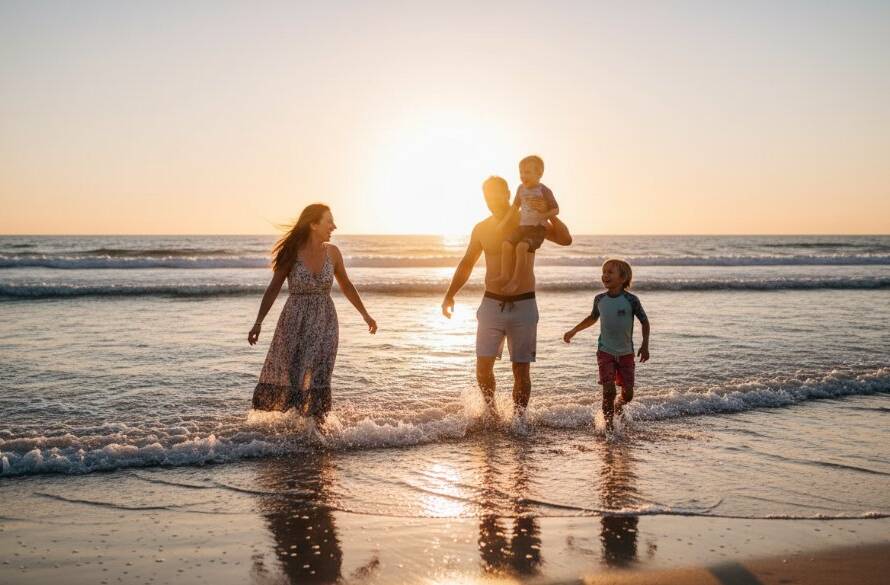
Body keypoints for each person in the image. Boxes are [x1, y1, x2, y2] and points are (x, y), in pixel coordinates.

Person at [441, 176, 572, 425]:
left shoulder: (529, 222)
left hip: (524, 304)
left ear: (508, 193)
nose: (492, 200)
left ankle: (519, 421)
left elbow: (566, 239)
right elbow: (467, 262)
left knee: (521, 371)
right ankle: (491, 415)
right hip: (491, 303)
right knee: (483, 367)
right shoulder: (482, 228)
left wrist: (548, 212)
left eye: (497, 194)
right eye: (487, 195)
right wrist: (450, 294)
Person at [248, 203, 377, 426]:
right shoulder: (291, 253)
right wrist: (258, 322)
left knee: (319, 372)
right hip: (294, 321)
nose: (334, 226)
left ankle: (318, 427)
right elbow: (274, 287)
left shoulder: (333, 253)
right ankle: (299, 428)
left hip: (325, 321)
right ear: (313, 224)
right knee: (296, 373)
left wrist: (365, 315)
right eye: (329, 221)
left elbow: (346, 284)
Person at [563, 259, 650, 431]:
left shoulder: (631, 300)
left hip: (626, 353)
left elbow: (645, 322)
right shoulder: (599, 299)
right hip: (605, 352)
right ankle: (609, 427)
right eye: (604, 272)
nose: (605, 275)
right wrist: (574, 330)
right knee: (608, 392)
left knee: (628, 395)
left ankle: (618, 406)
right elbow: (592, 318)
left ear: (623, 277)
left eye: (610, 272)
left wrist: (645, 345)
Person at [492, 155, 559, 294]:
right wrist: (503, 223)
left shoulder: (544, 190)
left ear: (539, 174)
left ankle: (516, 281)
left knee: (521, 247)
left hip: (537, 229)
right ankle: (505, 275)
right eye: (521, 172)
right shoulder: (520, 189)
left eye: (527, 172)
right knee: (506, 244)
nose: (523, 175)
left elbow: (556, 209)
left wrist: (543, 215)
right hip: (522, 227)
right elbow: (514, 207)